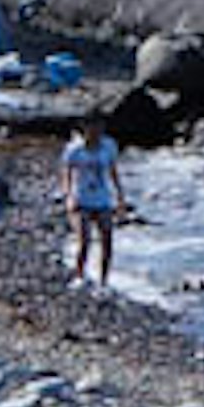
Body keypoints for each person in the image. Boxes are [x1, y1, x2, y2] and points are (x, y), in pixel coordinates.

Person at [60, 120, 129, 285]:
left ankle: (103, 280)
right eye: (91, 128)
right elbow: (66, 174)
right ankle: (79, 275)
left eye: (99, 128)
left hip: (103, 200)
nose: (95, 132)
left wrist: (120, 196)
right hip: (81, 199)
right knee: (84, 241)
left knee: (107, 241)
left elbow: (113, 171)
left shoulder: (109, 146)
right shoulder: (74, 149)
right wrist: (68, 196)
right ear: (85, 129)